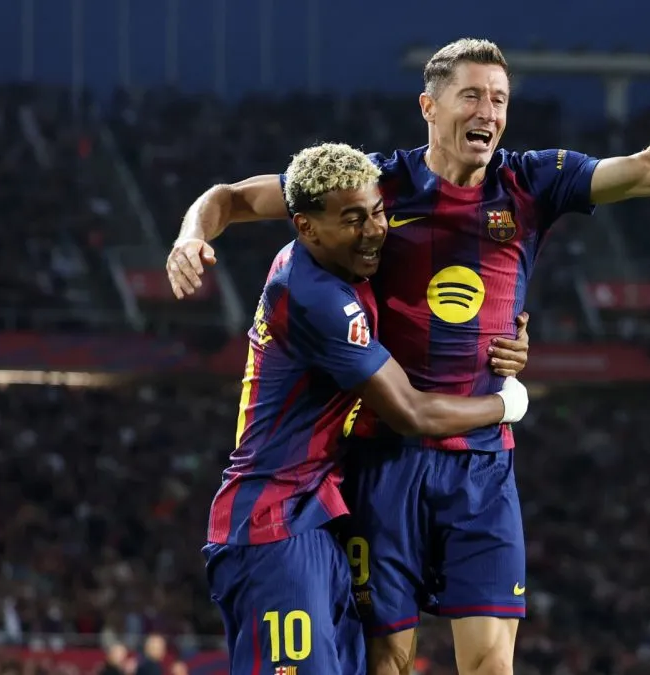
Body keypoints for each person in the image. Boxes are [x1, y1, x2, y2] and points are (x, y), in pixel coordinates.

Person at [170, 38, 650, 675]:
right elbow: (234, 197)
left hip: (481, 465)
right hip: (384, 457)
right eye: (472, 95)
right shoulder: (371, 188)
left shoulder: (532, 181)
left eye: (500, 99)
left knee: (490, 664)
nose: (489, 111)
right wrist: (190, 236)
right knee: (388, 662)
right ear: (429, 106)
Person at [202, 142, 533, 675]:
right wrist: (504, 403)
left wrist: (499, 334)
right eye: (354, 219)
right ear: (306, 227)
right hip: (271, 525)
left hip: (319, 517)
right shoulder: (315, 295)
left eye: (379, 212)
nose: (376, 230)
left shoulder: (339, 263)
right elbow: (411, 413)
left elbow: (229, 197)